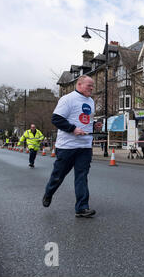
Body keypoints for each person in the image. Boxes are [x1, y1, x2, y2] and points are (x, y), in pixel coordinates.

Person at [43, 75, 101, 218]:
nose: (92, 88)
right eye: (89, 85)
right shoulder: (67, 99)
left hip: (85, 146)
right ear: (79, 84)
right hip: (67, 146)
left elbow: (85, 120)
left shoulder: (91, 101)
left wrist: (95, 125)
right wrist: (73, 129)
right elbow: (56, 119)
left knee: (82, 176)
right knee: (58, 175)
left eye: (92, 86)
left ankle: (82, 208)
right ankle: (48, 193)